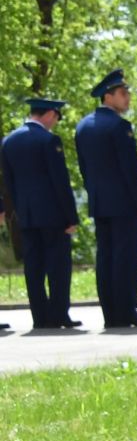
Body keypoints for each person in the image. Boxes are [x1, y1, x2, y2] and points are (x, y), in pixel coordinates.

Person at [73, 69, 137, 328]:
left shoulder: (83, 126)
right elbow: (130, 170)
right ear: (108, 97)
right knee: (126, 259)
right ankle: (126, 311)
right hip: (123, 203)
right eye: (122, 93)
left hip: (100, 201)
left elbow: (84, 168)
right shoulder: (119, 126)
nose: (127, 98)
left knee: (105, 258)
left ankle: (110, 313)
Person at [1, 96, 80, 331]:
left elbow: (8, 183)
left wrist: (16, 212)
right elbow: (60, 182)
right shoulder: (48, 140)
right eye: (56, 117)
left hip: (25, 215)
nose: (55, 123)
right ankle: (58, 316)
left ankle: (39, 316)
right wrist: (71, 217)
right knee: (58, 267)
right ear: (48, 114)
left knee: (33, 267)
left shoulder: (8, 142)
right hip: (53, 215)